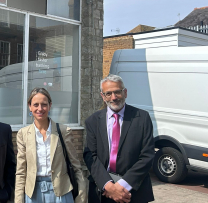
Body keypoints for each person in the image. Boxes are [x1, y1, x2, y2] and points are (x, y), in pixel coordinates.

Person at [83, 74, 155, 203]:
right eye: (108, 93)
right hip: (103, 191)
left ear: (125, 92)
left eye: (117, 92)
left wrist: (123, 184)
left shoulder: (142, 118)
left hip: (133, 192)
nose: (114, 97)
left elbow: (147, 156)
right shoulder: (92, 121)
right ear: (102, 96)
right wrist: (108, 185)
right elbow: (90, 156)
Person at [15, 88, 86, 203]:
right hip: (33, 192)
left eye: (44, 104)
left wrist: (82, 195)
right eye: (36, 105)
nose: (40, 109)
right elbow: (21, 171)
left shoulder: (63, 131)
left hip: (61, 190)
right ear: (30, 106)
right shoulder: (23, 134)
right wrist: (18, 200)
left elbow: (75, 165)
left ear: (50, 105)